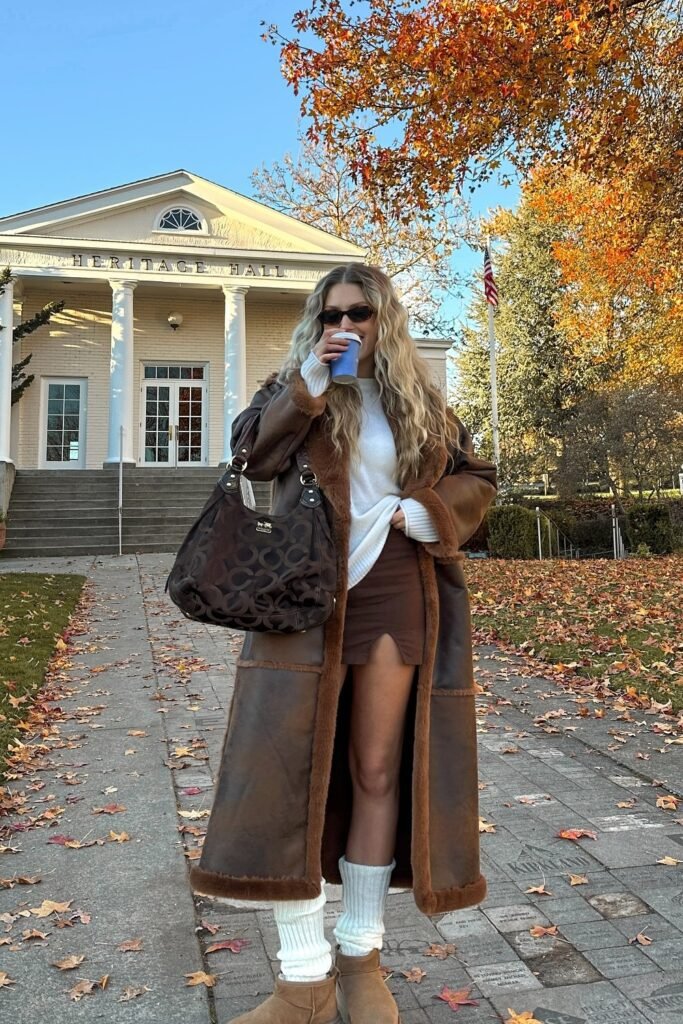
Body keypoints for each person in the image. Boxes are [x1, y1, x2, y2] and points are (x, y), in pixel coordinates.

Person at [190, 263, 497, 1024]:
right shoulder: (293, 386)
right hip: (299, 598)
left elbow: (478, 477)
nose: (345, 326)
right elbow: (252, 455)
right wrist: (309, 385)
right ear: (316, 319)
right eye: (331, 314)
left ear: (381, 319)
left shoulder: (419, 402)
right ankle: (303, 979)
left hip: (394, 594)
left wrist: (427, 511)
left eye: (359, 313)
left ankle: (361, 955)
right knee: (287, 775)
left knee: (374, 768)